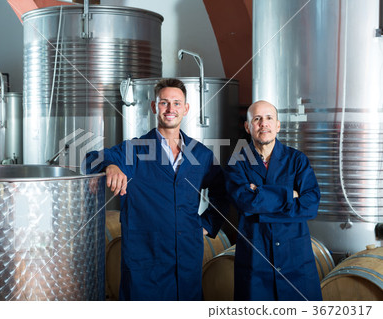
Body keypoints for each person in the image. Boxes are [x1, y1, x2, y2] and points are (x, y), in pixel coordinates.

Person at [82, 78, 228, 301]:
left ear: (186, 109)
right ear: (153, 107)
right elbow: (90, 160)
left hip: (187, 257)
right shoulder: (134, 150)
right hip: (145, 259)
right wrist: (110, 166)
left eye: (177, 103)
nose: (171, 109)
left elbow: (223, 191)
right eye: (164, 103)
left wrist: (206, 225)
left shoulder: (201, 155)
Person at [225, 100, 322, 301]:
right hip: (255, 261)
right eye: (257, 119)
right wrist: (290, 195)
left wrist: (260, 194)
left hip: (296, 261)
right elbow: (246, 203)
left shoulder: (297, 160)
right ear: (247, 126)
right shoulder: (237, 162)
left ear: (278, 125)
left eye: (269, 118)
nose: (264, 124)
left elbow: (310, 205)